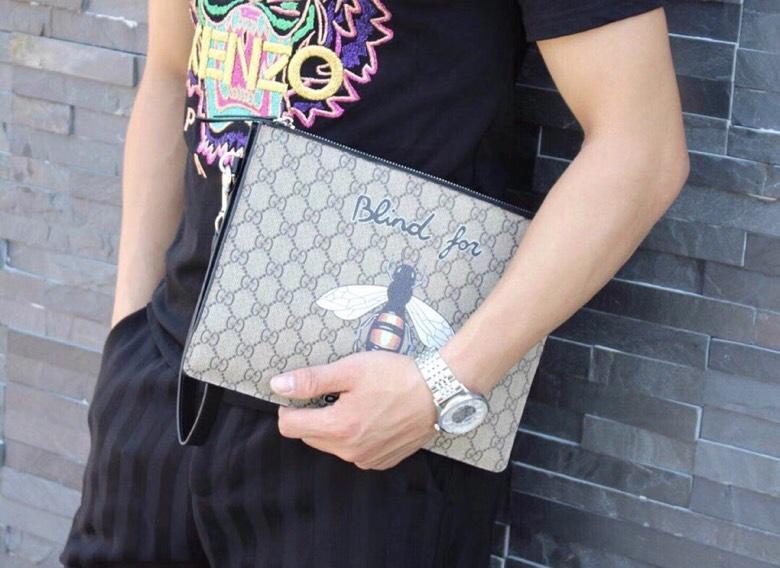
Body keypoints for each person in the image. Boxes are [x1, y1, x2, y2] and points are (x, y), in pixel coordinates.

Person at [59, 0, 689, 566]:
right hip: (162, 390)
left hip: (374, 435)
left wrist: (441, 386)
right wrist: (127, 339)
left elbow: (641, 147)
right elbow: (174, 69)